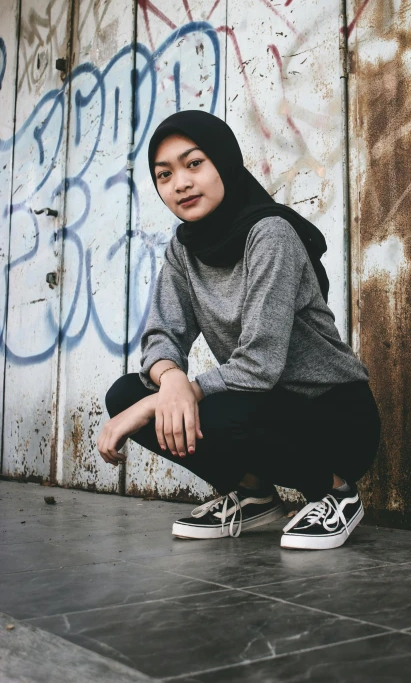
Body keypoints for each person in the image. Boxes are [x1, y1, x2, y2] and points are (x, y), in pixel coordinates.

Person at [100, 111, 381, 550]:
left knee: (191, 409)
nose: (181, 183)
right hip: (264, 408)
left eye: (194, 163)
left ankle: (336, 492)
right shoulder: (183, 249)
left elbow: (259, 365)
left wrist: (163, 401)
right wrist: (170, 381)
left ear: (224, 163)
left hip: (333, 415)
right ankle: (254, 495)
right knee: (125, 396)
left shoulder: (270, 235)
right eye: (165, 174)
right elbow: (162, 335)